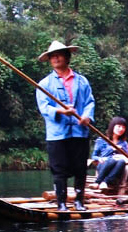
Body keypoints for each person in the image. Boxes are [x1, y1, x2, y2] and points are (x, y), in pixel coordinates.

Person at [36, 40, 95, 211]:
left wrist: (86, 116)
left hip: (79, 132)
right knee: (59, 169)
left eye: (58, 55)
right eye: (52, 56)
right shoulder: (44, 84)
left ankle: (79, 201)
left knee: (80, 168)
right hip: (57, 134)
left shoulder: (82, 81)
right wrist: (61, 111)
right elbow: (44, 107)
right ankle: (61, 203)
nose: (55, 58)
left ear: (67, 57)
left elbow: (90, 102)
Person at [91, 117, 128, 190]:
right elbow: (94, 156)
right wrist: (100, 158)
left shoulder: (124, 143)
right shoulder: (101, 140)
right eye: (119, 126)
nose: (121, 129)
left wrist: (121, 151)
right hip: (104, 165)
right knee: (111, 160)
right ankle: (100, 182)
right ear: (113, 126)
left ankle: (103, 182)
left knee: (121, 161)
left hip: (117, 169)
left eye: (123, 127)